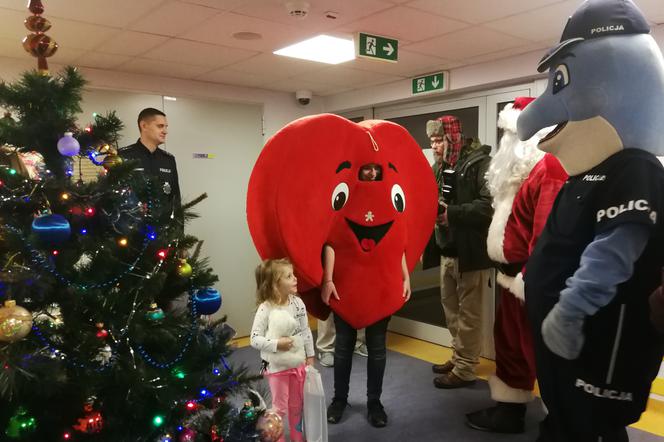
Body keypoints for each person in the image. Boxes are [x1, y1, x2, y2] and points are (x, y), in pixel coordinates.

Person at [465, 98, 567, 433]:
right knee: (510, 346)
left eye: (513, 135)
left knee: (544, 353)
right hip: (513, 279)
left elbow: (547, 233)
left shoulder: (549, 167)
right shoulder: (516, 175)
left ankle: (560, 421)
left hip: (531, 280)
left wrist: (529, 279)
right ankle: (509, 411)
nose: (507, 143)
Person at [325, 163, 411, 428]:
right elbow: (332, 239)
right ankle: (339, 399)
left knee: (377, 348)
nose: (372, 173)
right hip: (346, 285)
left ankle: (375, 403)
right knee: (343, 348)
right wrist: (327, 279)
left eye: (376, 168)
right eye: (367, 168)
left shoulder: (389, 196)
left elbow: (397, 242)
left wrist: (405, 276)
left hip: (381, 286)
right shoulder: (343, 194)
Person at [424, 116, 493, 389]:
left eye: (439, 140)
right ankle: (458, 355)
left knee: (470, 314)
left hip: (471, 252)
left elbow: (488, 206)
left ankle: (465, 367)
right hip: (447, 250)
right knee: (451, 309)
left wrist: (450, 213)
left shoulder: (479, 163)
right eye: (431, 141)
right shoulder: (438, 168)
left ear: (454, 138)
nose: (435, 146)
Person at [250, 258, 315, 442]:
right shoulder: (266, 308)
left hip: (297, 364)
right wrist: (277, 344)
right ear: (274, 284)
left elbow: (305, 331)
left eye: (293, 274)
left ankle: (297, 436)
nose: (295, 279)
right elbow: (254, 339)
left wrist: (310, 355)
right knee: (280, 408)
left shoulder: (298, 304)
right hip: (276, 368)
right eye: (289, 276)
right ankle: (278, 438)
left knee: (297, 405)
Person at [119, 108, 181, 229]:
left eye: (166, 127)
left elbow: (175, 200)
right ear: (144, 126)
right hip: (131, 232)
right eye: (160, 126)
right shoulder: (124, 156)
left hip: (162, 232)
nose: (165, 131)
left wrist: (179, 235)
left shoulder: (168, 160)